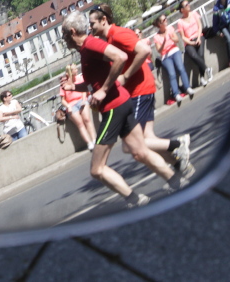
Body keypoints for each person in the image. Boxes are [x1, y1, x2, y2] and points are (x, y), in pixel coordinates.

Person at [61, 11, 188, 209]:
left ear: (72, 31)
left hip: (113, 107)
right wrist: (73, 87)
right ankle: (177, 181)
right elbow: (94, 83)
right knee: (139, 151)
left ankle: (135, 200)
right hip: (122, 101)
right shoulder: (86, 50)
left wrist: (104, 90)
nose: (64, 40)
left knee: (97, 169)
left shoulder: (90, 44)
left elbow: (120, 57)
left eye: (64, 35)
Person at [89, 4, 193, 177]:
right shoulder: (110, 39)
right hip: (140, 90)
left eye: (92, 23)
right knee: (147, 139)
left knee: (131, 145)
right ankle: (181, 165)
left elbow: (144, 50)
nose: (90, 27)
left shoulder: (118, 34)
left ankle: (178, 144)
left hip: (139, 90)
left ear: (103, 20)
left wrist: (125, 76)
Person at [153, 14, 195, 104]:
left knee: (180, 68)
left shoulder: (170, 29)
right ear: (160, 24)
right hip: (165, 56)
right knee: (172, 74)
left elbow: (177, 40)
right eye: (164, 20)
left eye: (166, 18)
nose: (166, 20)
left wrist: (172, 38)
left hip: (174, 51)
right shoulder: (156, 37)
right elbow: (159, 50)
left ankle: (187, 87)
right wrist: (164, 42)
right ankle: (176, 94)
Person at [58, 64, 96, 151]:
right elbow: (63, 100)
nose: (77, 70)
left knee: (87, 119)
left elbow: (85, 90)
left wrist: (83, 100)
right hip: (71, 104)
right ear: (70, 72)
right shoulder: (64, 83)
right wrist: (68, 106)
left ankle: (94, 140)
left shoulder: (80, 78)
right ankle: (89, 143)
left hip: (81, 100)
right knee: (80, 124)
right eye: (75, 69)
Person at [177, 0, 213, 86]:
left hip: (199, 36)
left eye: (188, 3)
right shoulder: (180, 22)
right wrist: (191, 43)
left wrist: (198, 38)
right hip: (189, 41)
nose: (188, 5)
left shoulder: (194, 14)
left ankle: (202, 77)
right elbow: (183, 37)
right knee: (193, 55)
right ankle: (207, 69)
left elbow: (200, 26)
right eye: (186, 5)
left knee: (201, 55)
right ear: (182, 10)